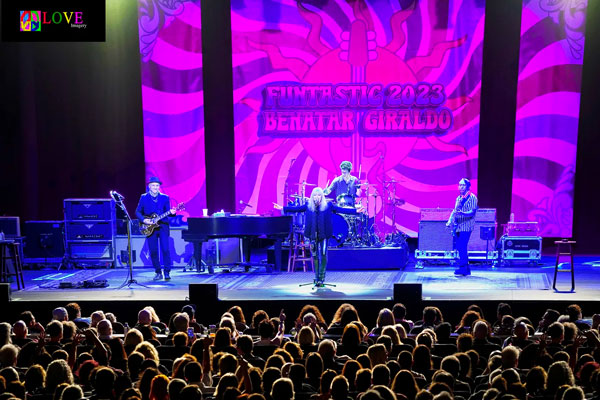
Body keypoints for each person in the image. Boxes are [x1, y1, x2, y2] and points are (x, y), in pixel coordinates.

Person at [277, 187, 356, 287]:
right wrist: (283, 208)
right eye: (315, 195)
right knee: (315, 255)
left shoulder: (328, 206)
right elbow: (296, 209)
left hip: (324, 234)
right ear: (312, 196)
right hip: (312, 234)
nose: (317, 197)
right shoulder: (308, 206)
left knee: (323, 254)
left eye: (319, 195)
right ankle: (316, 277)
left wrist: (356, 211)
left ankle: (321, 278)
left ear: (322, 196)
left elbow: (341, 209)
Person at [135, 176, 176, 280]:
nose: (155, 187)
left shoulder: (165, 197)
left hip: (162, 226)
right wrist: (144, 220)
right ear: (149, 186)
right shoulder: (143, 197)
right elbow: (138, 212)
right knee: (153, 251)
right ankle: (158, 272)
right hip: (149, 227)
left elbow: (168, 212)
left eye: (157, 185)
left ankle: (167, 272)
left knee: (165, 250)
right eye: (153, 185)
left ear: (159, 187)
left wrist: (172, 213)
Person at [446, 178, 477, 276]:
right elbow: (455, 211)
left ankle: (463, 268)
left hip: (466, 226)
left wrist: (463, 213)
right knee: (460, 247)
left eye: (463, 185)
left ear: (468, 186)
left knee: (462, 246)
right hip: (459, 226)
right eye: (459, 185)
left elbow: (472, 212)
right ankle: (466, 268)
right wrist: (449, 221)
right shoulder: (459, 198)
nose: (460, 187)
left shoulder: (472, 197)